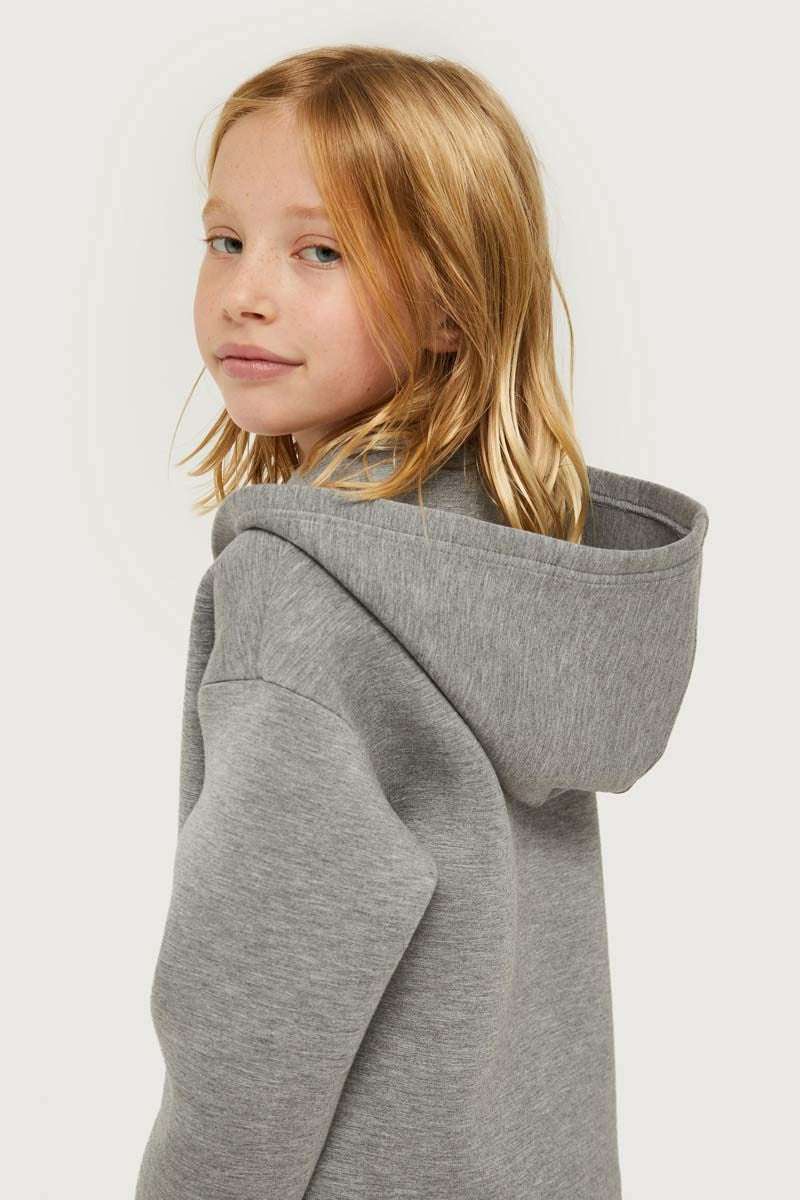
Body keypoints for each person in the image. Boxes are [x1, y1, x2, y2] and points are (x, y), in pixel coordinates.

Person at [135, 44, 709, 1200]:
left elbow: (253, 1016)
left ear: (450, 307)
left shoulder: (301, 594)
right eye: (225, 239)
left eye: (320, 251)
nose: (246, 291)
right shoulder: (508, 569)